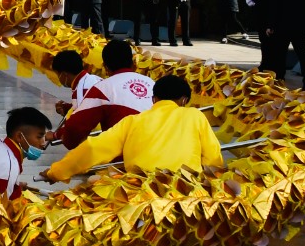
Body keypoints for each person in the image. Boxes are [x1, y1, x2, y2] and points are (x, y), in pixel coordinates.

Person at [45, 74, 223, 181]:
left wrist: (56, 172)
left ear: (153, 99)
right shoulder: (195, 116)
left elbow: (93, 148)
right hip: (185, 189)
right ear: (184, 101)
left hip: (140, 190)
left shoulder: (132, 121)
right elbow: (213, 159)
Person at [53, 39, 152, 150]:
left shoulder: (102, 89)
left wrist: (60, 137)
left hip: (125, 157)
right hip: (162, 152)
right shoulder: (152, 84)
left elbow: (75, 128)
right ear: (133, 63)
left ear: (105, 67)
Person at [49, 49, 103, 122]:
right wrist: (66, 108)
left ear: (64, 74)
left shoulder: (81, 90)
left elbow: (81, 123)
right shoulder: (94, 79)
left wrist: (56, 134)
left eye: (58, 74)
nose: (58, 78)